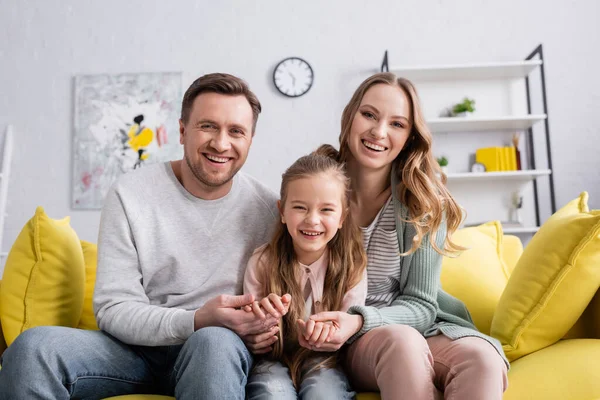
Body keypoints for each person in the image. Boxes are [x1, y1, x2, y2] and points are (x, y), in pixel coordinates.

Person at [0, 73, 282, 400]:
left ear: (250, 140)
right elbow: (113, 308)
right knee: (33, 348)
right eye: (207, 126)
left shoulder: (268, 209)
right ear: (181, 130)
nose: (221, 143)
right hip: (132, 352)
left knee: (214, 342)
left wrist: (267, 331)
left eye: (236, 131)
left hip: (215, 352)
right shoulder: (131, 194)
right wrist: (194, 319)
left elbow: (292, 293)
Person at [302, 73, 509, 399]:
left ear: (410, 136)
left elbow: (421, 304)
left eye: (397, 124)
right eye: (369, 114)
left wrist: (358, 320)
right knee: (402, 342)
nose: (379, 132)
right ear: (350, 116)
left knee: (483, 360)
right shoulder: (315, 183)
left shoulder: (423, 202)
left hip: (419, 327)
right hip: (355, 342)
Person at [243, 151, 367, 399]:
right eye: (300, 207)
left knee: (325, 394)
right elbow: (250, 332)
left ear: (342, 217)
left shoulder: (352, 265)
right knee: (271, 392)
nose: (312, 220)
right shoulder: (262, 261)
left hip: (326, 362)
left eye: (326, 210)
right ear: (282, 211)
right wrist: (262, 319)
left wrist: (328, 333)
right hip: (272, 361)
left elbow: (349, 326)